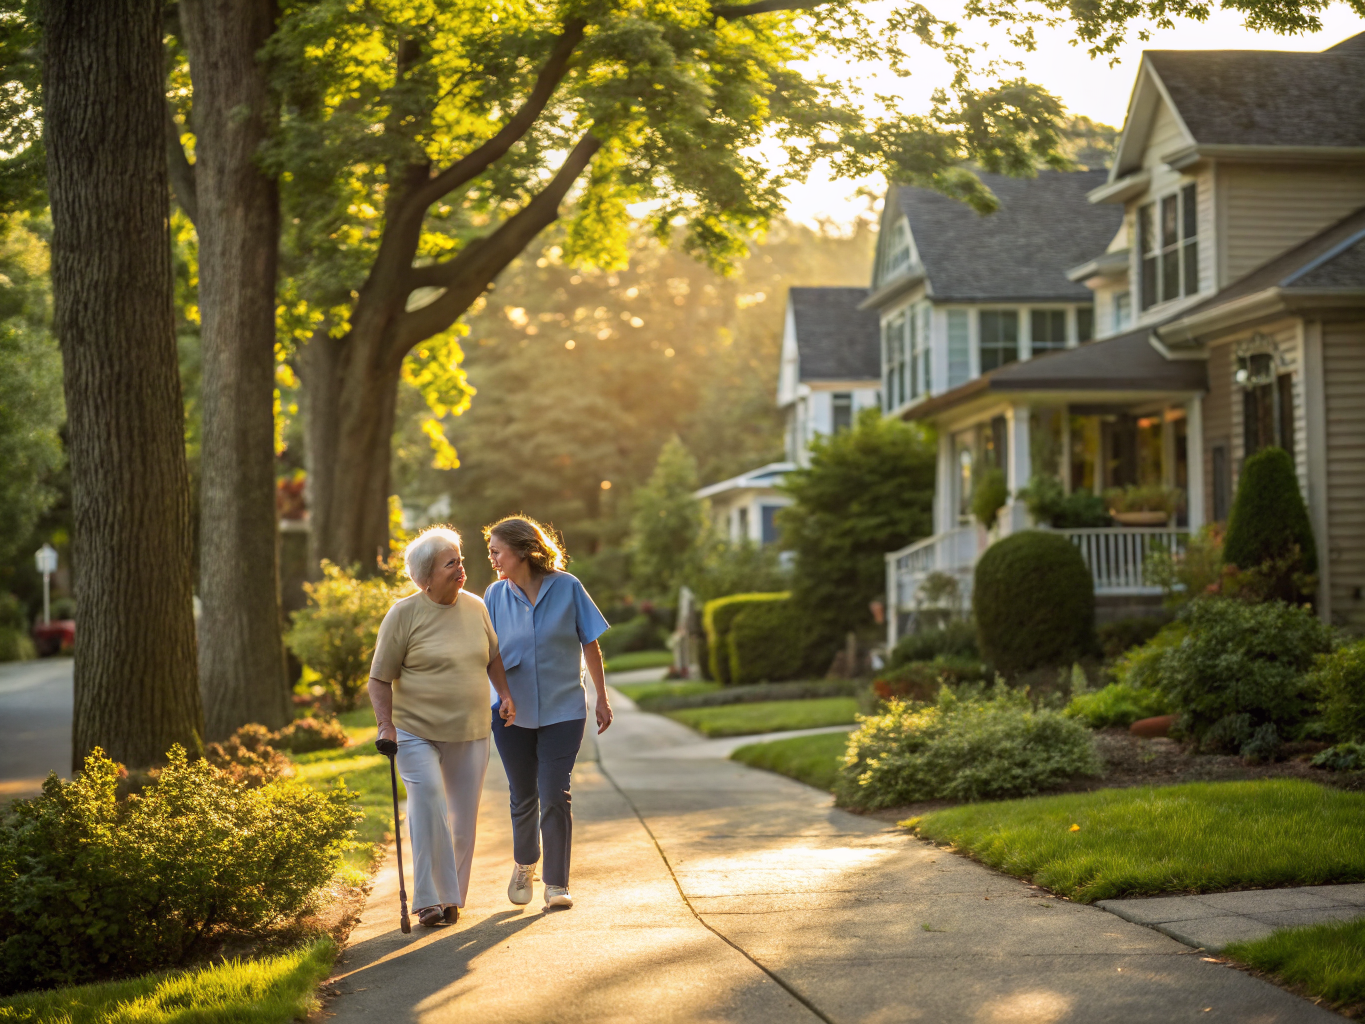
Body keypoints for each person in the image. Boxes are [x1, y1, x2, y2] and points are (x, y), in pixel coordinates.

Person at [368, 527, 516, 928]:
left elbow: (493, 656)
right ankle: (428, 900)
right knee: (428, 802)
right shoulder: (403, 614)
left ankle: (452, 898)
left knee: (463, 820)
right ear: (425, 577)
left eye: (461, 560)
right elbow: (379, 678)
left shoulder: (475, 607)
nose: (461, 569)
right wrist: (386, 726)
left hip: (470, 729)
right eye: (451, 564)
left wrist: (503, 694)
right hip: (415, 730)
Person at [482, 515, 612, 910]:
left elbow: (590, 643)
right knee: (523, 794)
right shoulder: (493, 595)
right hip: (510, 712)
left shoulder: (568, 587)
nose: (492, 559)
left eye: (496, 551)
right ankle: (525, 863)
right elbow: (489, 654)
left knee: (554, 792)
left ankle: (557, 884)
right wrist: (502, 694)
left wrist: (602, 699)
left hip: (563, 708)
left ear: (521, 550)